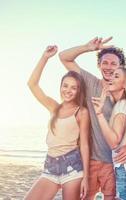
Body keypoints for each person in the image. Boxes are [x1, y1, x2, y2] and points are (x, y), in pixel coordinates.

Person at [59, 38, 126, 200]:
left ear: (121, 67)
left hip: (116, 164)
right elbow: (64, 57)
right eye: (105, 62)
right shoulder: (90, 83)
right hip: (91, 161)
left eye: (113, 64)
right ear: (99, 65)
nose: (108, 67)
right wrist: (87, 47)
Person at [25, 45, 90, 200]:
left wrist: (86, 177)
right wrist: (45, 57)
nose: (68, 90)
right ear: (60, 87)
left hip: (72, 168)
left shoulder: (81, 112)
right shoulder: (53, 107)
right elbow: (32, 84)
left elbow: (85, 144)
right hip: (50, 167)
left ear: (79, 91)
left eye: (73, 88)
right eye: (65, 86)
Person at [92, 67, 126, 200]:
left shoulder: (121, 106)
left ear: (125, 84)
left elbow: (114, 141)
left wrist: (99, 114)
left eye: (116, 76)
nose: (111, 78)